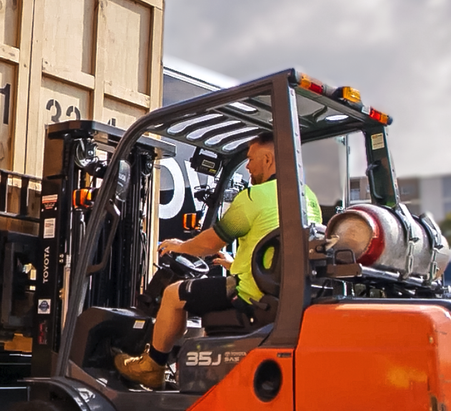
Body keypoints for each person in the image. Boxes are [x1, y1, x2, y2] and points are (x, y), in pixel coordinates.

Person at [115, 132, 322, 388]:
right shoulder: (307, 197)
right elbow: (278, 248)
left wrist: (182, 246)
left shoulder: (255, 197)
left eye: (250, 159)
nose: (247, 167)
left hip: (250, 295)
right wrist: (233, 263)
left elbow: (210, 243)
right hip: (283, 294)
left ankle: (152, 367)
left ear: (268, 159)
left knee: (172, 295)